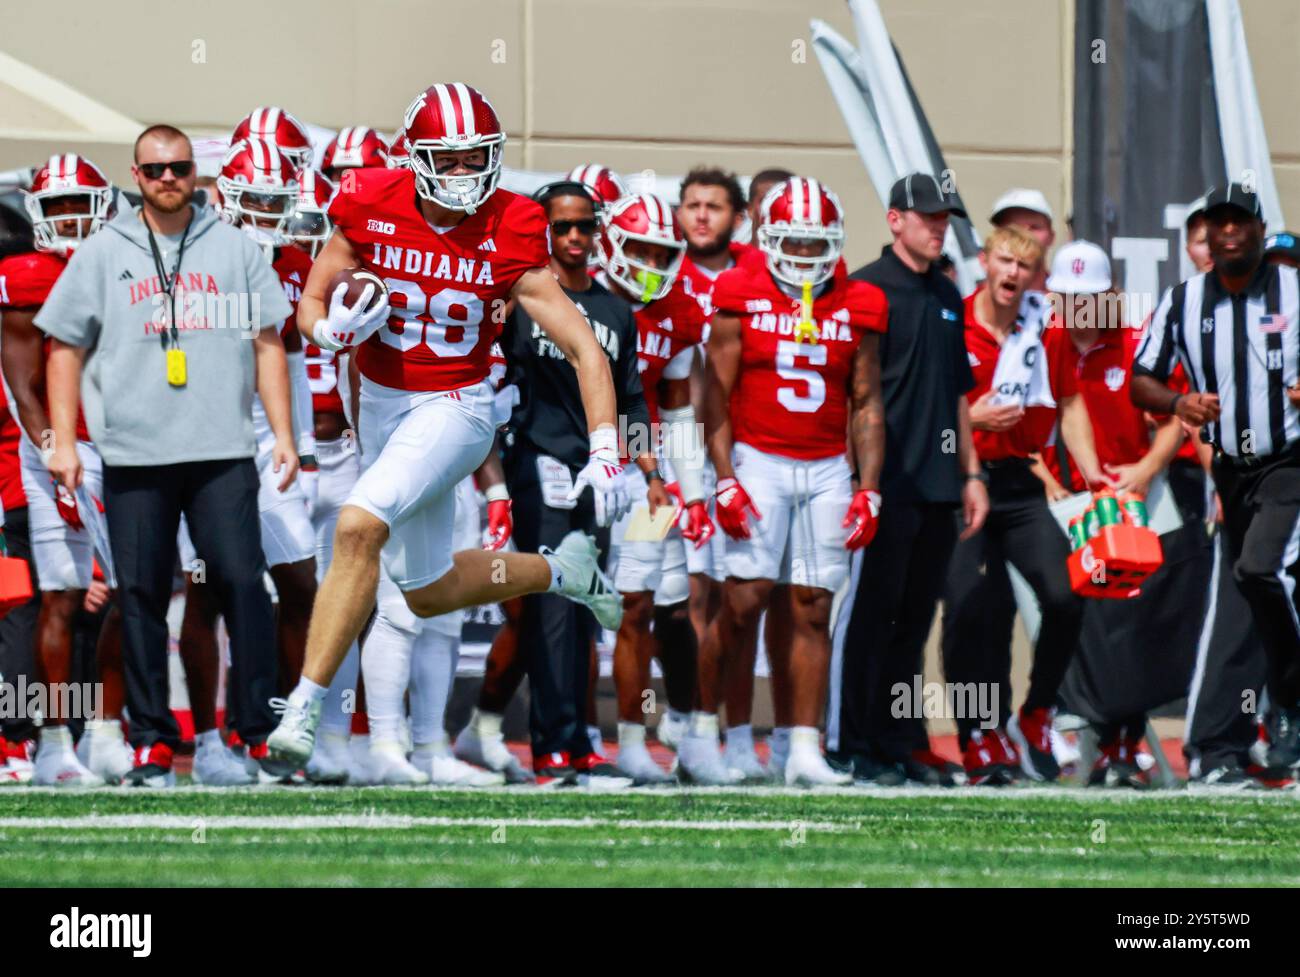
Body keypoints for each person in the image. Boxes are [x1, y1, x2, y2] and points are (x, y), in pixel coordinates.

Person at [267, 85, 626, 770]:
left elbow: (584, 345)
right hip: (378, 403)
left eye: (476, 159)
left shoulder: (513, 223)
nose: (463, 174)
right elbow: (312, 303)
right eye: (448, 159)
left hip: (458, 406)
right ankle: (562, 569)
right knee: (426, 589)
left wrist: (607, 442)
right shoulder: (371, 200)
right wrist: (330, 329)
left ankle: (304, 708)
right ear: (416, 156)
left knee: (356, 525)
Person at [39, 124, 298, 787]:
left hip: (222, 451)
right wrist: (64, 439)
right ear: (136, 175)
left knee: (245, 585)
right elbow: (63, 347)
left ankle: (254, 735)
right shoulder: (101, 250)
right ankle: (152, 743)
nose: (167, 179)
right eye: (154, 170)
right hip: (134, 452)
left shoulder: (236, 247)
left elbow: (268, 343)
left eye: (179, 167)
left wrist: (285, 435)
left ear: (195, 175)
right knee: (142, 597)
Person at [684, 177, 888, 787]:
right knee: (741, 601)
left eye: (813, 242)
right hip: (760, 458)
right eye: (792, 241)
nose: (802, 254)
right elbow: (713, 396)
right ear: (768, 239)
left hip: (827, 465)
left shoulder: (860, 302)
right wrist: (723, 477)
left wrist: (868, 485)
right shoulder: (737, 292)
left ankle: (802, 747)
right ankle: (700, 731)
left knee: (813, 607)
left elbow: (867, 401)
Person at [457, 180, 648, 785]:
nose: (573, 238)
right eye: (561, 226)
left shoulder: (618, 310)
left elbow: (634, 400)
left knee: (589, 605)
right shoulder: (523, 297)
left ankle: (579, 740)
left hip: (599, 468)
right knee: (549, 608)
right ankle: (551, 748)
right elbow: (493, 379)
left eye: (584, 226)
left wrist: (642, 467)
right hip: (538, 462)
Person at [1132, 182, 1300, 784]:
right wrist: (1180, 400)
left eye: (1239, 223)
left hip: (1289, 463)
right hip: (1232, 470)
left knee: (1261, 571)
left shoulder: (1293, 291)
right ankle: (1224, 744)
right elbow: (1140, 380)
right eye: (1216, 225)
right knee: (1245, 592)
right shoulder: (1183, 303)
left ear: (1259, 229)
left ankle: (1285, 709)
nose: (1228, 234)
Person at [830, 172, 987, 787]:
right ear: (895, 220)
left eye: (943, 218)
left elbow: (956, 396)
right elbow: (853, 396)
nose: (937, 226)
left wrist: (971, 475)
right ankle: (850, 741)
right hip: (884, 484)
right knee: (869, 615)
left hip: (939, 486)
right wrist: (858, 479)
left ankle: (896, 741)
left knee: (913, 623)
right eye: (926, 217)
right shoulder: (865, 289)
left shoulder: (947, 294)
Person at [943, 225, 1107, 784]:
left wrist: (1091, 472)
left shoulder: (1048, 326)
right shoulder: (953, 321)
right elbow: (928, 408)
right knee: (970, 610)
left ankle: (1036, 713)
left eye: (1025, 266)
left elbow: (1069, 400)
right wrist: (971, 419)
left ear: (1037, 277)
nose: (1013, 273)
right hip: (961, 483)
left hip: (1017, 483)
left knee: (1065, 593)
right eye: (1005, 261)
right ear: (985, 262)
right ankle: (977, 736)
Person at [0, 154, 130, 787]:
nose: (74, 218)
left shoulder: (135, 266)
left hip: (131, 449)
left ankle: (105, 731)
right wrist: (55, 448)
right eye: (59, 207)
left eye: (84, 204)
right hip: (49, 455)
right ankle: (38, 741)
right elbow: (23, 383)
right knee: (50, 600)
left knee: (134, 594)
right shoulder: (24, 276)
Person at [1038, 241, 1185, 788]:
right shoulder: (1043, 337)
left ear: (1112, 296)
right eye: (1070, 298)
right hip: (1065, 500)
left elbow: (1175, 415)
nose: (1079, 310)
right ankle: (1069, 735)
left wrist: (1144, 471)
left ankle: (1123, 742)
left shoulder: (1138, 338)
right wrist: (1050, 481)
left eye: (1090, 299)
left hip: (1132, 496)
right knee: (1072, 620)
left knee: (1131, 623)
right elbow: (1025, 420)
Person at [595, 192, 711, 783]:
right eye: (637, 248)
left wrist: (691, 492)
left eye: (659, 253)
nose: (647, 262)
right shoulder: (580, 298)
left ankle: (676, 734)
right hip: (584, 465)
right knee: (613, 606)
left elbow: (677, 410)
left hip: (648, 473)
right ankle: (609, 738)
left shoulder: (678, 309)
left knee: (659, 603)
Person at [989, 188, 1055, 291]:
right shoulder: (968, 305)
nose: (1024, 234)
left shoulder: (1069, 301)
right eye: (1013, 228)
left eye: (1034, 227)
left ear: (1051, 237)